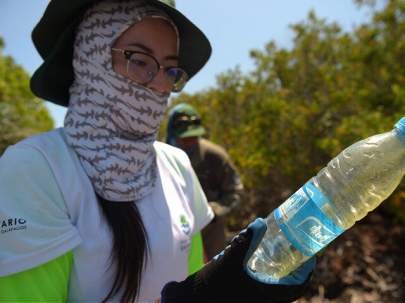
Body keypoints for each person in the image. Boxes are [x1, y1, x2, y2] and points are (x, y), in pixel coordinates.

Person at [0, 0, 315, 302]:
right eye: (139, 60)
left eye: (170, 70)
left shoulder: (175, 164)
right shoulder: (35, 169)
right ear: (90, 57)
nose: (162, 86)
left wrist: (229, 286)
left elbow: (190, 278)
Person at [166, 103, 244, 259]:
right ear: (172, 135)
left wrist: (214, 210)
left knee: (214, 275)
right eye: (185, 138)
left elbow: (236, 191)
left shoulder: (215, 155)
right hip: (174, 232)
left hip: (212, 231)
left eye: (194, 137)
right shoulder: (161, 156)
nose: (190, 142)